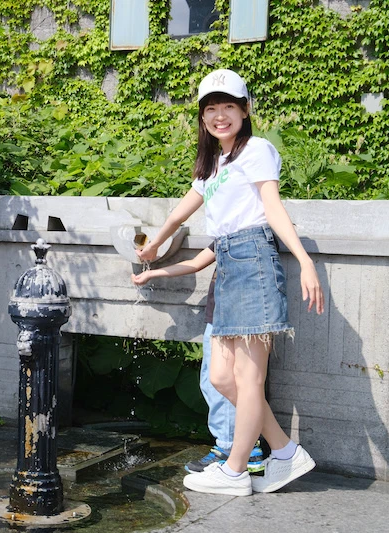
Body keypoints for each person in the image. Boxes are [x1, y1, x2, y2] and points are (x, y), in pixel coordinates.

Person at [136, 68, 324, 497]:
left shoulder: (256, 149)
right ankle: (284, 451)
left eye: (228, 107)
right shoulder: (214, 163)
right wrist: (155, 247)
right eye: (211, 109)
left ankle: (236, 470)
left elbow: (272, 207)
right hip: (228, 263)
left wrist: (305, 260)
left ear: (244, 110)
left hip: (254, 258)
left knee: (246, 376)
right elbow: (180, 212)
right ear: (203, 118)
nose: (220, 116)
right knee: (222, 378)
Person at [131, 248, 265, 475]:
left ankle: (232, 448)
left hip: (234, 314)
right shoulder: (225, 233)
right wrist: (152, 274)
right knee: (212, 381)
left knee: (226, 382)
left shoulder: (248, 233)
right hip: (219, 313)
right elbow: (194, 263)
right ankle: (243, 449)